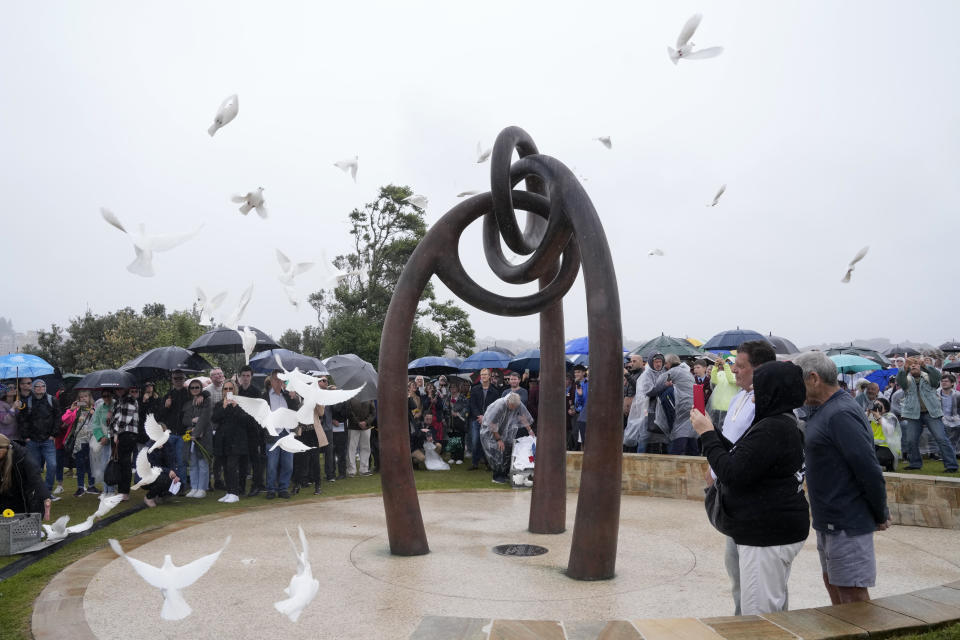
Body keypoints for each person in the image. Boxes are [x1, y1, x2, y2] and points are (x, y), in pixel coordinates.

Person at [690, 361, 809, 615]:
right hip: (775, 531)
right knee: (771, 612)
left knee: (759, 620)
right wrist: (710, 429)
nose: (753, 390)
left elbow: (732, 473)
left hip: (766, 536)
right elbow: (739, 456)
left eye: (760, 385)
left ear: (773, 390)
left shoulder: (773, 429)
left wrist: (706, 435)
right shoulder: (779, 422)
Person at [794, 350, 890, 605]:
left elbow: (868, 468)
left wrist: (879, 512)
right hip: (829, 521)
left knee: (852, 595)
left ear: (813, 378)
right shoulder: (822, 410)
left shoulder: (840, 413)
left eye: (797, 382)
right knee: (835, 587)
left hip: (848, 522)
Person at [708, 339, 777, 614]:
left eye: (741, 365)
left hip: (755, 501)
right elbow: (730, 439)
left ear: (759, 369)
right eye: (735, 365)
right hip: (732, 495)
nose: (734, 370)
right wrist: (713, 469)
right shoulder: (739, 397)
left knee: (761, 584)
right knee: (736, 571)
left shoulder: (769, 405)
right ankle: (742, 625)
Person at [897, 358, 958, 472]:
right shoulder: (906, 380)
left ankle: (951, 466)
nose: (914, 366)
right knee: (910, 440)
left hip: (932, 413)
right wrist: (904, 369)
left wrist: (926, 366)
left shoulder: (928, 377)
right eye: (911, 365)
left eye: (916, 364)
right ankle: (915, 464)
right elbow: (899, 380)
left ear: (920, 366)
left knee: (941, 438)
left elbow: (937, 376)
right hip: (913, 414)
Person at [479, 393, 534, 484]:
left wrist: (530, 430)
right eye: (512, 406)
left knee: (508, 450)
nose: (513, 409)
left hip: (505, 429)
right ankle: (497, 476)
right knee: (497, 452)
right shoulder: (499, 406)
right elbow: (492, 424)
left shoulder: (518, 404)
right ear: (508, 402)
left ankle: (504, 474)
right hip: (490, 431)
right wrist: (498, 440)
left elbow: (523, 417)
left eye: (515, 407)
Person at [263, 371, 301, 499]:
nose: (279, 383)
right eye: (276, 380)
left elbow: (297, 408)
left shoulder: (288, 395)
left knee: (288, 464)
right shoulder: (265, 396)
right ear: (271, 381)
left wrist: (294, 396)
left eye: (281, 380)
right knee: (272, 464)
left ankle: (283, 488)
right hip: (272, 434)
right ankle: (271, 489)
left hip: (286, 433)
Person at [20, 379, 61, 492]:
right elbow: (23, 420)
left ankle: (47, 492)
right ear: (33, 388)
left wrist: (53, 435)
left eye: (42, 385)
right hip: (32, 441)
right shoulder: (27, 402)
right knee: (35, 468)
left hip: (48, 440)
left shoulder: (52, 400)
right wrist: (26, 437)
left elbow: (58, 418)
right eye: (37, 386)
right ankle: (38, 492)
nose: (40, 388)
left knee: (52, 465)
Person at [0, 433, 53, 520]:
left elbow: (35, 477)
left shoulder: (23, 456)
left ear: (4, 448)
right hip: (4, 495)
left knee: (20, 524)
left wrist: (46, 497)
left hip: (21, 496)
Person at [211, 380, 246, 502]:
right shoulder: (219, 404)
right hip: (222, 440)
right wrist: (224, 406)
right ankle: (229, 491)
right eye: (225, 389)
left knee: (232, 467)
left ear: (234, 390)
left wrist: (235, 406)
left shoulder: (240, 404)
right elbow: (214, 418)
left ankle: (235, 493)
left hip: (236, 441)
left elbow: (244, 419)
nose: (228, 391)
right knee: (225, 467)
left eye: (230, 388)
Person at [236, 366, 266, 496]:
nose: (245, 378)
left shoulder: (256, 392)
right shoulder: (237, 391)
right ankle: (241, 487)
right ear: (240, 376)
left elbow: (258, 412)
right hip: (240, 431)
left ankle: (256, 485)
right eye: (243, 375)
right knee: (242, 461)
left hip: (253, 431)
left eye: (248, 376)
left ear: (251, 377)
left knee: (255, 460)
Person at [63, 390, 99, 496]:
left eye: (86, 396)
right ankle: (80, 487)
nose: (84, 399)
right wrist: (71, 409)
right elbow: (65, 420)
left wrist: (94, 414)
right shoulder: (77, 409)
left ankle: (91, 486)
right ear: (78, 399)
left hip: (92, 441)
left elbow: (101, 423)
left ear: (90, 397)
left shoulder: (94, 408)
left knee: (91, 464)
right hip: (79, 442)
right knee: (80, 465)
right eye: (81, 397)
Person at [181, 380, 212, 498]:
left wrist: (196, 432)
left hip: (203, 436)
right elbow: (184, 420)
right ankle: (194, 487)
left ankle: (202, 488)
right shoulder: (188, 403)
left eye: (197, 387)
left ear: (201, 388)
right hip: (190, 437)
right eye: (192, 387)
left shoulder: (206, 401)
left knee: (203, 462)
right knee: (193, 463)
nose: (195, 389)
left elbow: (205, 418)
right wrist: (192, 421)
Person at [110, 386, 140, 500]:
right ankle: (122, 491)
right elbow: (117, 418)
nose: (118, 390)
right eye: (116, 389)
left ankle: (124, 492)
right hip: (120, 433)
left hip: (127, 434)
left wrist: (116, 433)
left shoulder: (129, 399)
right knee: (121, 462)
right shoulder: (120, 400)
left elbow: (124, 419)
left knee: (125, 463)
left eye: (121, 388)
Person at [467, 369, 500, 470]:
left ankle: (488, 462)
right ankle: (475, 463)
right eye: (482, 375)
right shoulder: (475, 389)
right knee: (475, 441)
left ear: (490, 376)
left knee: (488, 442)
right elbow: (472, 404)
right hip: (476, 419)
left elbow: (495, 407)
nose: (483, 376)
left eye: (485, 374)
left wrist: (485, 417)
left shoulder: (495, 391)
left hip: (489, 420)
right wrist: (479, 416)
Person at [204, 368, 227, 490]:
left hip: (223, 429)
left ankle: (218, 480)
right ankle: (207, 481)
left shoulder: (227, 389)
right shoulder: (206, 391)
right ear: (211, 378)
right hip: (209, 428)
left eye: (220, 374)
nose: (218, 376)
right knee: (209, 456)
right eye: (215, 374)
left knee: (220, 456)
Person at [868, 397, 902, 472]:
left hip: (889, 447)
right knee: (864, 457)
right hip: (874, 445)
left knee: (876, 459)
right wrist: (867, 415)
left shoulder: (890, 417)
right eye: (875, 405)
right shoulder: (871, 417)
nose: (876, 407)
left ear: (885, 409)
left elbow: (890, 430)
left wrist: (878, 417)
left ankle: (889, 463)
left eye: (879, 406)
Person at [346, 398, 375, 477]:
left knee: (366, 448)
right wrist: (358, 422)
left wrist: (366, 422)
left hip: (366, 427)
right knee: (351, 449)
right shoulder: (351, 396)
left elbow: (373, 412)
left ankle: (364, 469)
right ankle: (351, 470)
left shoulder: (369, 397)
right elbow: (349, 412)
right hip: (353, 427)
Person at [709, 357, 738, 428]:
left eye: (730, 363)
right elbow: (714, 381)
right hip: (717, 407)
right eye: (727, 362)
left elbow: (731, 380)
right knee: (715, 428)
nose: (728, 364)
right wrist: (715, 367)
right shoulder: (721, 373)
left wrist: (725, 365)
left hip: (728, 407)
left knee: (723, 428)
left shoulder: (738, 376)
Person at [937, 373, 960, 452]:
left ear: (952, 383)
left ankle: (954, 451)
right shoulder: (936, 394)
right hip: (940, 419)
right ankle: (945, 452)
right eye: (942, 381)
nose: (943, 383)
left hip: (954, 418)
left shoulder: (957, 395)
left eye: (946, 381)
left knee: (957, 427)